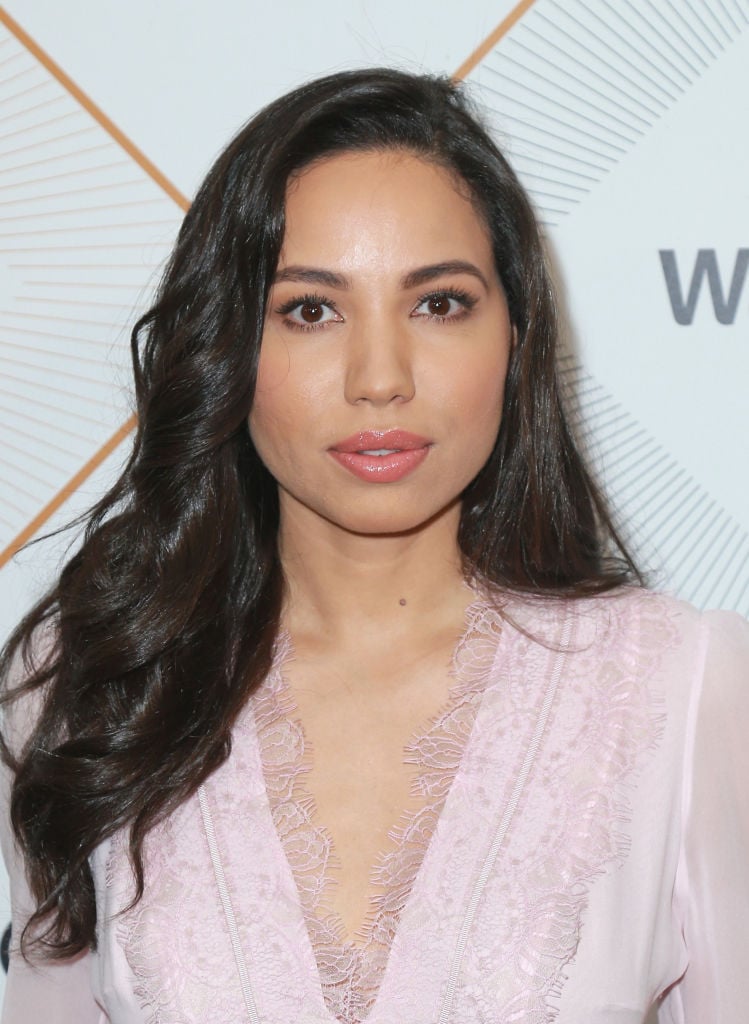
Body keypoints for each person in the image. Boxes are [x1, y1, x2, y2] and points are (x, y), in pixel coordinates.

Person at [0, 67, 747, 1024]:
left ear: (516, 337)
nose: (379, 377)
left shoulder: (679, 686)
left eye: (438, 303)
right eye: (310, 309)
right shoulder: (87, 686)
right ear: (227, 343)